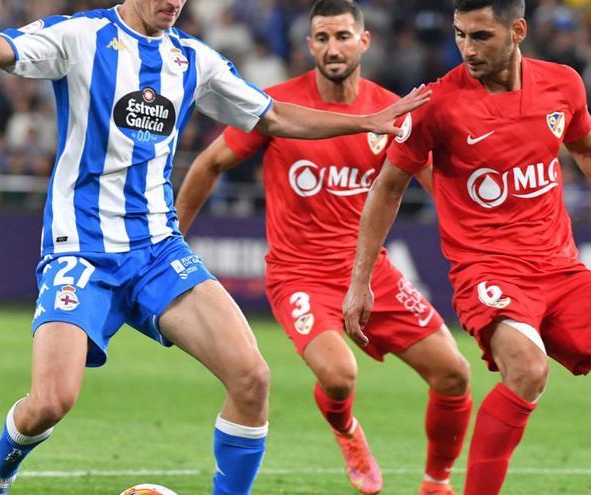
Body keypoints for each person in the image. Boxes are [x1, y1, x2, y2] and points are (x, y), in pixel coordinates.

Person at [0, 1, 430, 494]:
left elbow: (273, 117)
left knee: (251, 378)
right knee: (50, 403)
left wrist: (365, 121)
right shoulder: (81, 37)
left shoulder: (193, 59)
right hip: (81, 252)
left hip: (157, 250)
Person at [343, 1, 591, 494]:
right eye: (460, 35)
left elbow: (588, 147)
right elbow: (388, 188)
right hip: (487, 271)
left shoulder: (563, 83)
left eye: (481, 37)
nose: (466, 49)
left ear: (517, 30)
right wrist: (360, 280)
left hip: (560, 268)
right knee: (527, 368)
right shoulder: (437, 104)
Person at [177, 2, 471, 494]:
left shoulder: (390, 111)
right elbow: (209, 164)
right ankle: (346, 430)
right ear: (309, 45)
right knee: (339, 376)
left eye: (342, 36)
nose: (332, 47)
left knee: (454, 375)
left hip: (372, 273)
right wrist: (173, 238)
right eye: (322, 38)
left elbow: (440, 187)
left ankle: (436, 483)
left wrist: (481, 247)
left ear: (364, 41)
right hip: (300, 276)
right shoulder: (273, 107)